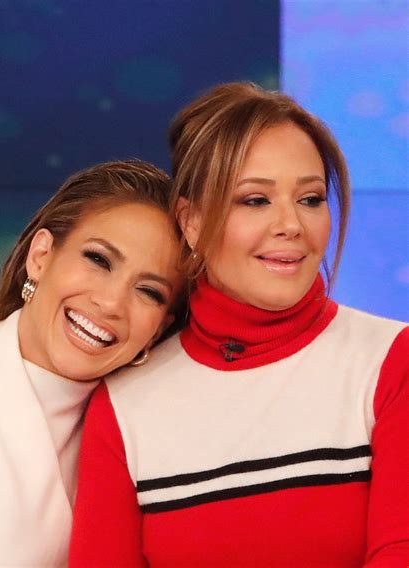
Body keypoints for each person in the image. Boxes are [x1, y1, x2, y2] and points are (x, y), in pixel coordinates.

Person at [69, 84, 409, 567]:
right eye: (255, 200)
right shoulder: (124, 406)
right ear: (190, 220)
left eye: (310, 198)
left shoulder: (391, 361)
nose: (291, 224)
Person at [0, 159, 182, 567]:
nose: (111, 303)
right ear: (41, 255)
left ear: (159, 328)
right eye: (99, 260)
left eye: (149, 292)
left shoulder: (142, 446)